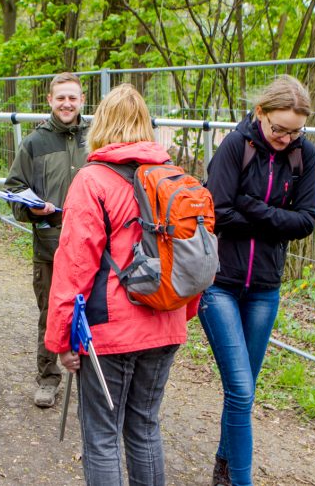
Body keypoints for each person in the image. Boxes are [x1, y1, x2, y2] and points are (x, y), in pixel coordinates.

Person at [45, 83, 198, 485]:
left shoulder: (92, 181)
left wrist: (62, 339)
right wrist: (182, 313)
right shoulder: (175, 177)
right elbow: (193, 256)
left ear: (102, 124)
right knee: (145, 427)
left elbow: (74, 266)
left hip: (108, 332)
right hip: (166, 322)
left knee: (102, 436)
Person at [200, 75, 315, 486]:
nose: (286, 138)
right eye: (279, 129)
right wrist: (272, 219)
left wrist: (251, 208)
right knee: (240, 388)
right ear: (260, 114)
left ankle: (223, 463)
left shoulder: (305, 155)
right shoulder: (236, 146)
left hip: (266, 289)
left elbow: (305, 221)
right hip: (221, 285)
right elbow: (216, 211)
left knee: (243, 391)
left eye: (295, 131)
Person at [4, 72, 88, 408]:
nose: (67, 104)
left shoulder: (95, 138)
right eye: (60, 98)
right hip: (50, 245)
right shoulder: (34, 143)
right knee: (51, 312)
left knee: (91, 312)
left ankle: (91, 380)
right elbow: (13, 189)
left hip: (90, 247)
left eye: (73, 97)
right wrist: (33, 209)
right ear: (50, 101)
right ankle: (48, 378)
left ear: (82, 101)